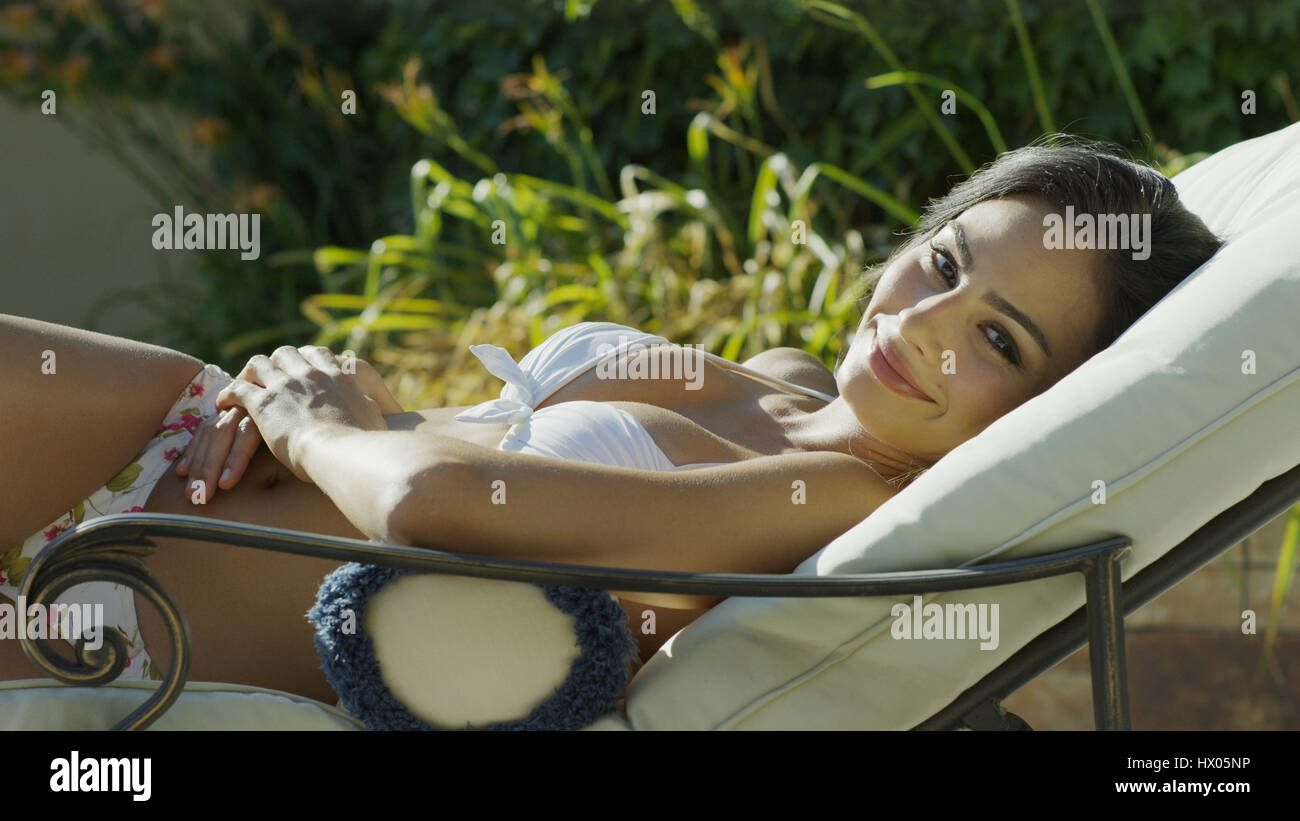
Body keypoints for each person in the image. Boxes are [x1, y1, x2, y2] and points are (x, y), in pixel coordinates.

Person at [0, 138, 1223, 706]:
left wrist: (318, 422)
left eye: (1000, 339)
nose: (928, 323)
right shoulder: (790, 377)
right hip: (175, 436)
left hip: (141, 609)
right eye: (944, 262)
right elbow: (450, 432)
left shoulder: (839, 502)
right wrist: (340, 390)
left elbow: (439, 508)